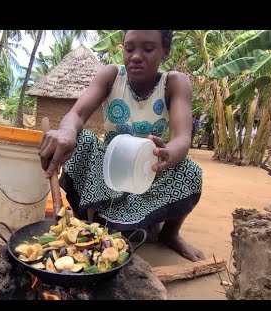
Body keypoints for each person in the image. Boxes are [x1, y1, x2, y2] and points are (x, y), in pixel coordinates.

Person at [39, 30, 205, 262]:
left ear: (165, 52)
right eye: (129, 49)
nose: (136, 56)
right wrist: (67, 131)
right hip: (107, 170)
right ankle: (83, 222)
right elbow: (77, 113)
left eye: (148, 49)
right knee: (82, 139)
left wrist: (168, 154)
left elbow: (181, 138)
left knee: (190, 171)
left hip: (147, 170)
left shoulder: (174, 83)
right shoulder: (112, 75)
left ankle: (170, 234)